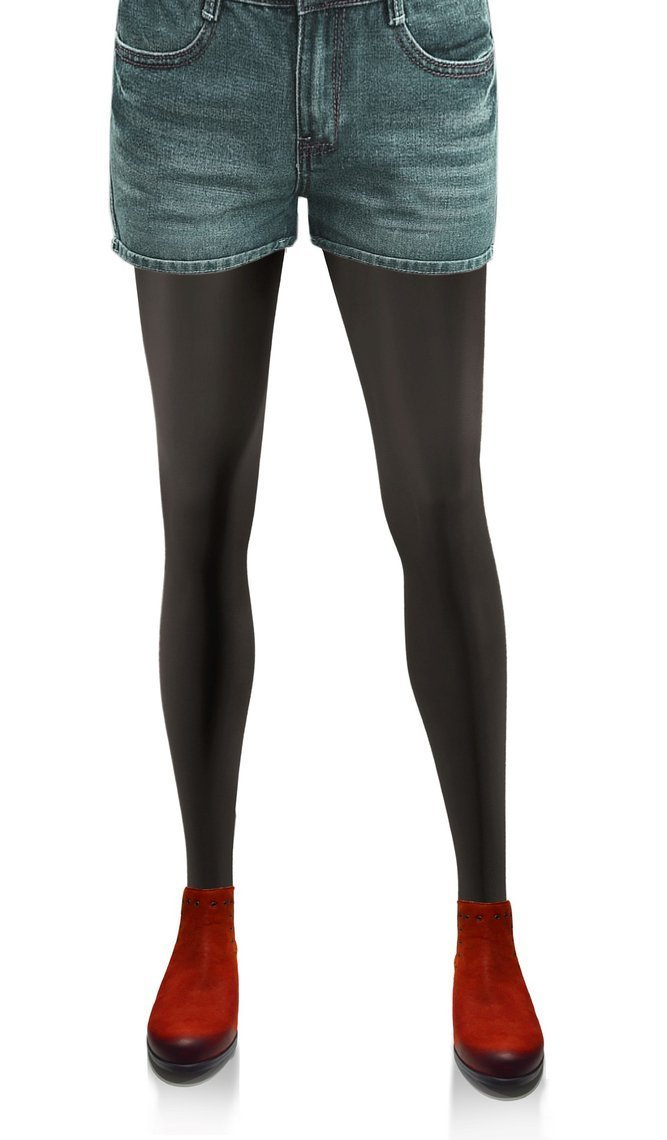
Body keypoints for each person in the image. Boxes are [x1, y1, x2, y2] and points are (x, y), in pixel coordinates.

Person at [109, 0, 544, 1094]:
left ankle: (486, 924)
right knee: (200, 508)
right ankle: (205, 913)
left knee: (438, 503)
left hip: (408, 52)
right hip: (196, 53)